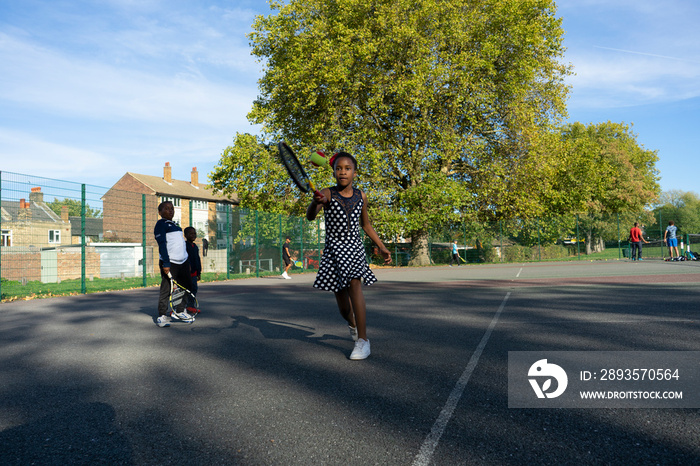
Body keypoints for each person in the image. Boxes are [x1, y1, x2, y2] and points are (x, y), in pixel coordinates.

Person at [306, 152, 391, 360]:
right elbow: (310, 216)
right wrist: (315, 202)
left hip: (354, 247)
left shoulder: (361, 196)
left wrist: (381, 246)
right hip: (334, 250)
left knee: (355, 285)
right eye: (339, 168)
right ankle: (352, 323)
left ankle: (363, 341)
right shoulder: (327, 192)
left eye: (347, 168)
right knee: (344, 308)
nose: (342, 172)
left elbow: (366, 224)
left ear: (354, 172)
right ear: (334, 171)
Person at [154, 201, 194, 327]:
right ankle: (162, 316)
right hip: (170, 263)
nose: (170, 210)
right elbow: (162, 245)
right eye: (166, 208)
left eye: (172, 208)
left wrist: (187, 261)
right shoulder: (160, 224)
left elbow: (180, 245)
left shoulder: (176, 226)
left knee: (187, 286)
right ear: (160, 212)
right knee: (166, 289)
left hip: (183, 262)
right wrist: (165, 263)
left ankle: (180, 311)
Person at [184, 226, 202, 296]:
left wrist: (199, 272)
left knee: (194, 288)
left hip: (194, 273)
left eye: (194, 234)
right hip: (187, 273)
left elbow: (197, 259)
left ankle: (191, 305)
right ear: (185, 235)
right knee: (187, 290)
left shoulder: (195, 246)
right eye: (191, 234)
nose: (193, 235)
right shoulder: (184, 246)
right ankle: (185, 305)